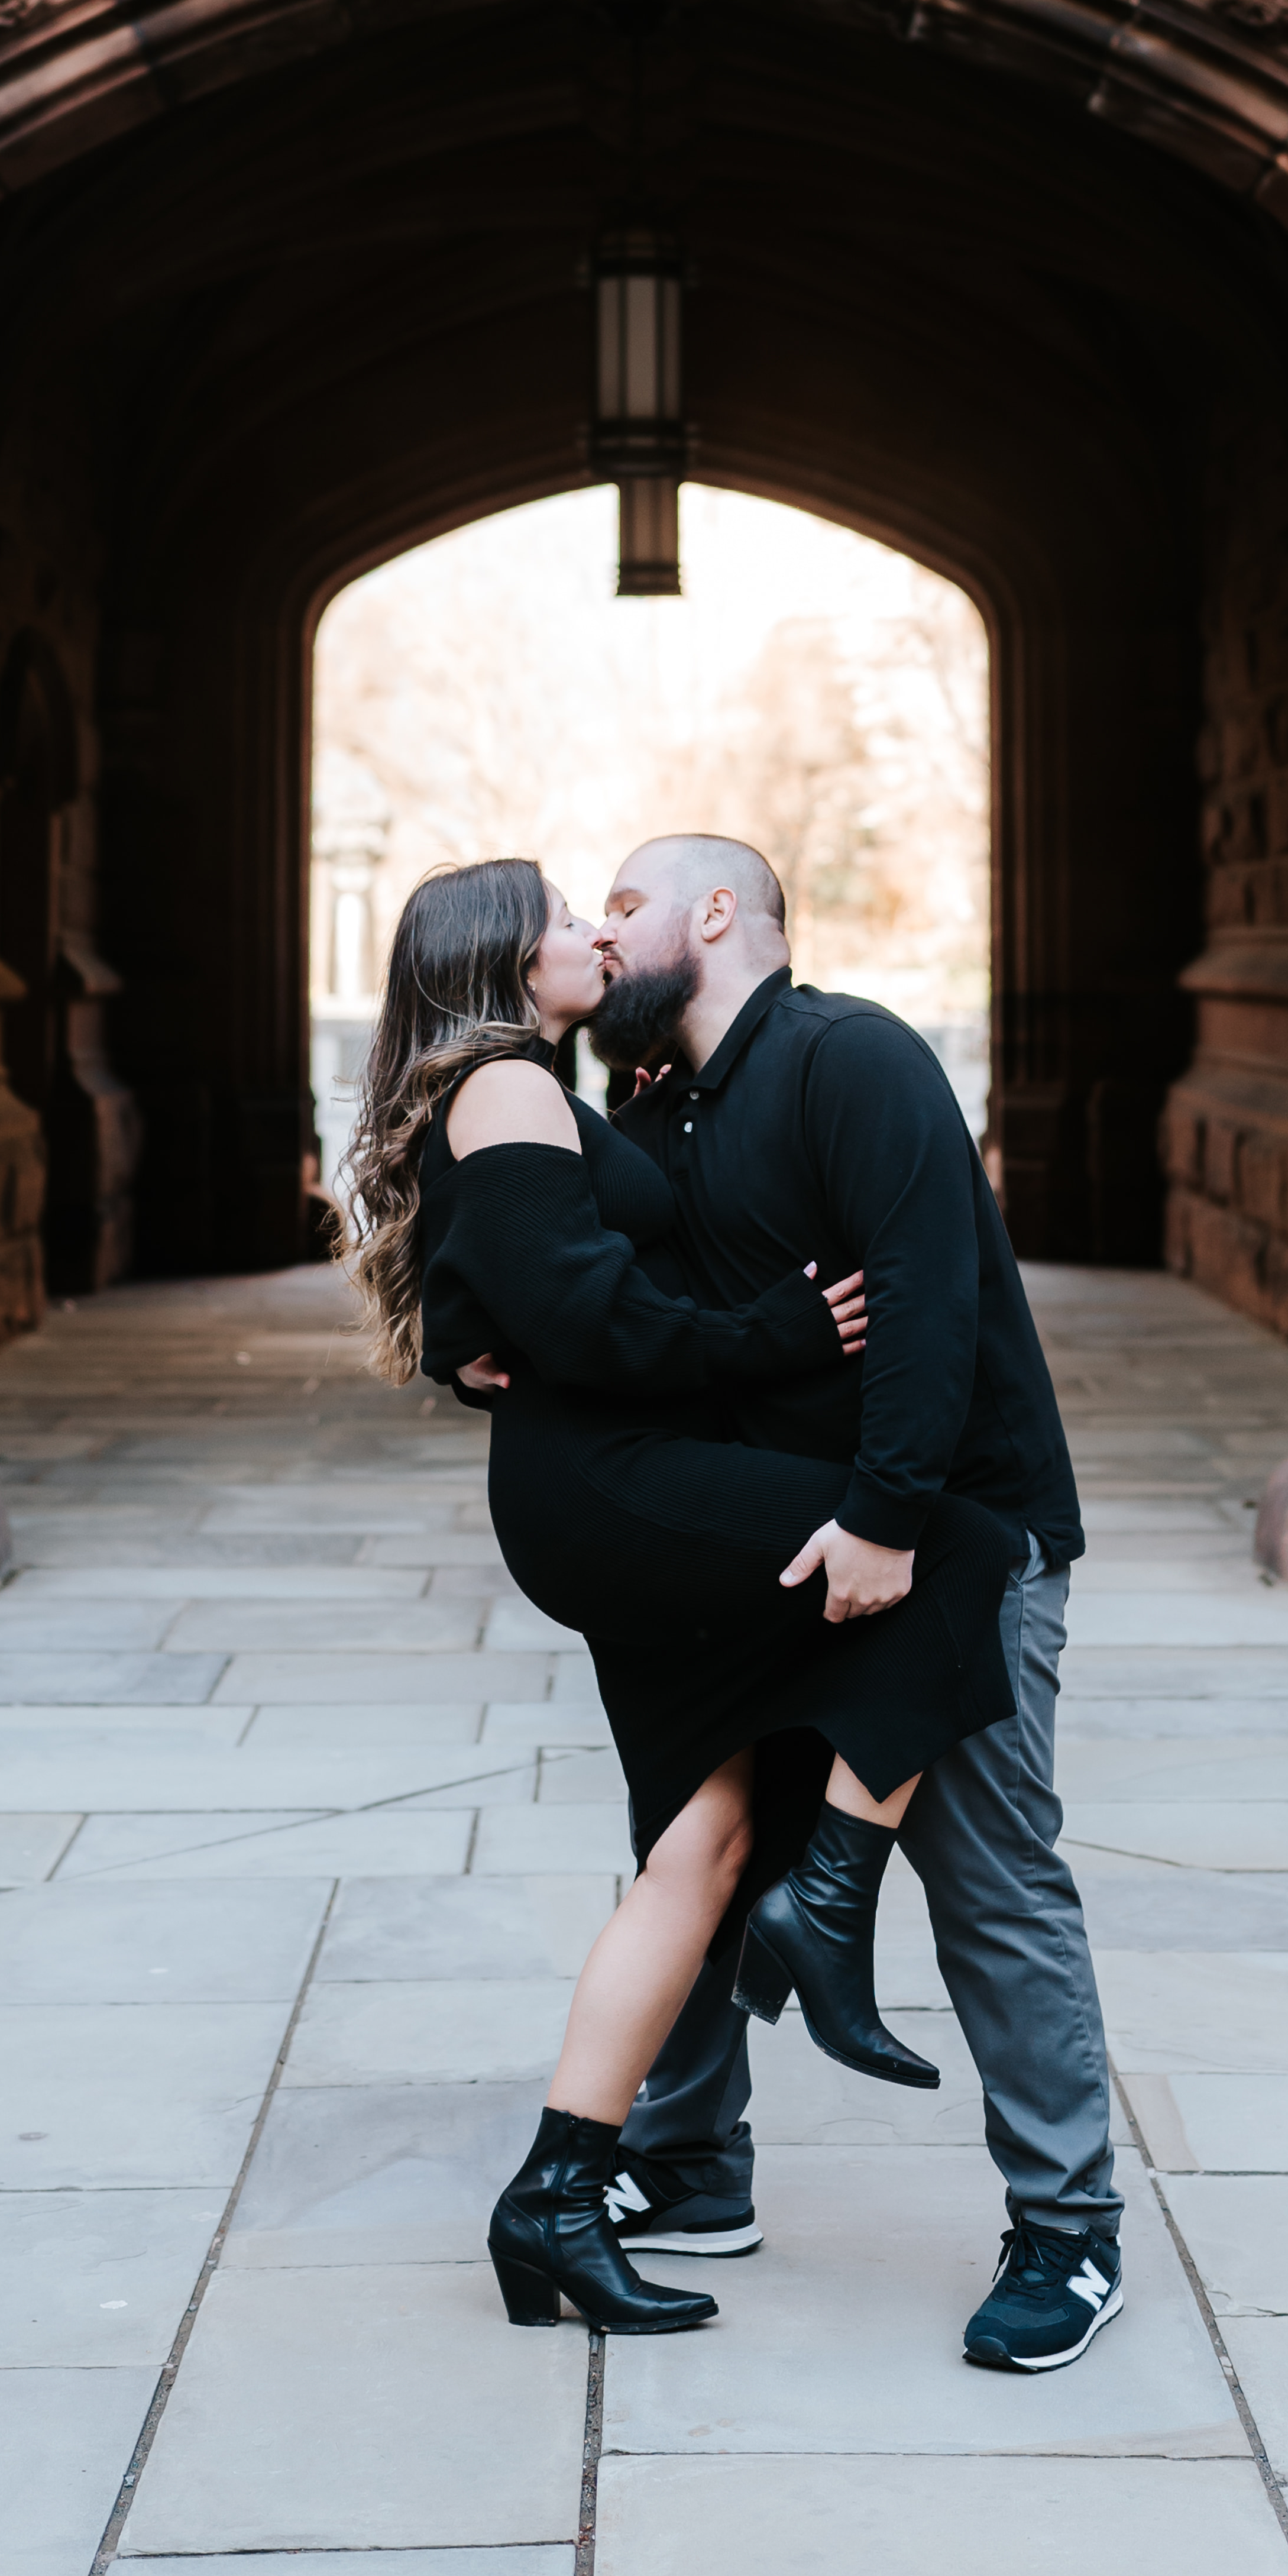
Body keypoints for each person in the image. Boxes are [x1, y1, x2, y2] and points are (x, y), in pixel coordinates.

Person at [342, 854, 1021, 2342]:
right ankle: (831, 1898)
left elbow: (501, 1282)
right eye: (566, 918)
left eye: (608, 907)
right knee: (951, 1546)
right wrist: (782, 1327)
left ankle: (556, 2200)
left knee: (700, 1845)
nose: (591, 930)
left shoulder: (546, 1084)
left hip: (611, 1478)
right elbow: (581, 1311)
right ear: (510, 958)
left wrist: (466, 1332)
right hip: (610, 1487)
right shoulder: (511, 1085)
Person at [587, 833, 1125, 2377]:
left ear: (713, 913)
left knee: (990, 1880)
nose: (603, 934)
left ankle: (1067, 2234)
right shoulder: (658, 1107)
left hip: (955, 1544)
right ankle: (692, 2164)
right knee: (694, 1853)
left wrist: (887, 1517)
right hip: (771, 1553)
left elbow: (931, 1290)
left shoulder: (851, 1056)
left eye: (623, 906)